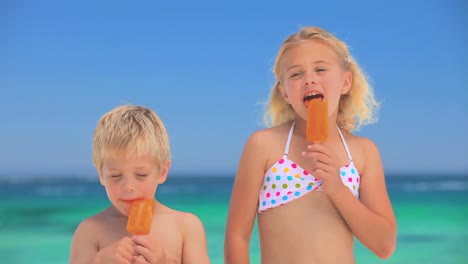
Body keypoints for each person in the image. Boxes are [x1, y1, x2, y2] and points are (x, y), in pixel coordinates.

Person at [224, 26, 396, 264]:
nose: (310, 79)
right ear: (284, 92)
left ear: (346, 82)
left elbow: (384, 245)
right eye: (296, 74)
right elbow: (237, 237)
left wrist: (337, 187)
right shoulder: (263, 146)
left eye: (321, 69)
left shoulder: (363, 152)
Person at [70, 104, 210, 264]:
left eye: (141, 175)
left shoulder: (186, 228)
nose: (128, 186)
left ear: (163, 172)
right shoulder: (90, 231)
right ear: (101, 174)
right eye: (115, 176)